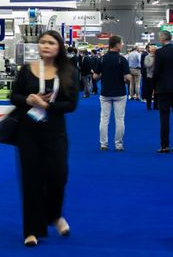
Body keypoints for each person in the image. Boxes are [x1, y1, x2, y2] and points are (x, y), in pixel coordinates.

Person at [10, 30, 78, 247]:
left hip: (55, 132)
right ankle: (31, 230)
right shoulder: (27, 69)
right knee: (31, 181)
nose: (46, 46)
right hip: (28, 132)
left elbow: (71, 104)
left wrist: (47, 106)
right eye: (42, 42)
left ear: (59, 47)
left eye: (51, 43)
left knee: (59, 176)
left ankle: (54, 214)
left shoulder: (68, 72)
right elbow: (13, 96)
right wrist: (28, 100)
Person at [94, 35, 130, 151]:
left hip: (105, 92)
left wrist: (102, 75)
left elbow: (95, 76)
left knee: (104, 119)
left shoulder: (102, 59)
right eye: (121, 43)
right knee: (119, 119)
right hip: (120, 93)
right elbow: (128, 77)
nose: (122, 45)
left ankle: (103, 144)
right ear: (117, 45)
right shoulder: (122, 59)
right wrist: (125, 79)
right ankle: (118, 144)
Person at [142, 45, 157, 110]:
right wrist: (153, 60)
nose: (154, 50)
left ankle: (156, 106)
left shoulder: (158, 56)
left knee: (157, 92)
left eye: (155, 49)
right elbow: (147, 65)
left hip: (157, 76)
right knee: (149, 92)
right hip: (150, 76)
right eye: (153, 49)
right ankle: (148, 105)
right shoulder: (147, 57)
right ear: (150, 50)